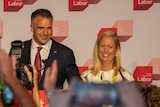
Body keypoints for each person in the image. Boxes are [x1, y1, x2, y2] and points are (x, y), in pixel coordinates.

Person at [19, 8, 81, 90]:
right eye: (41, 28)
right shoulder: (20, 50)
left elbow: (78, 87)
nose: (45, 33)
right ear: (31, 28)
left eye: (49, 28)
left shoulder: (65, 54)